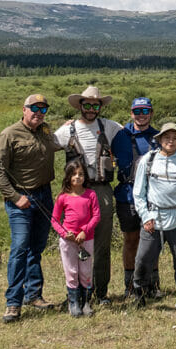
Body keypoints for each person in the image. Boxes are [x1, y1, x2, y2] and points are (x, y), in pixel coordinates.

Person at [0, 93, 62, 323]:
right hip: (21, 199)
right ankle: (13, 302)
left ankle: (34, 295)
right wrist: (14, 196)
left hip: (44, 195)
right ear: (23, 109)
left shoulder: (46, 131)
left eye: (43, 110)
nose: (38, 114)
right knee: (20, 248)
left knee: (36, 247)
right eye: (34, 109)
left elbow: (54, 145)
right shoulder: (9, 135)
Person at [54, 85, 123, 305]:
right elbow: (46, 145)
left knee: (101, 244)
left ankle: (100, 292)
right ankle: (76, 293)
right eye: (88, 105)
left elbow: (133, 129)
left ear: (100, 107)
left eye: (96, 105)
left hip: (102, 190)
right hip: (76, 193)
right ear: (80, 106)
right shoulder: (67, 130)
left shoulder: (110, 127)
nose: (92, 109)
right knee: (74, 241)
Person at [132, 122, 176, 313]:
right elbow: (139, 192)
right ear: (160, 139)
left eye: (175, 138)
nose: (171, 141)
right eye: (167, 137)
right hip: (153, 219)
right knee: (143, 259)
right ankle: (138, 295)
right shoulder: (148, 160)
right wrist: (145, 217)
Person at [110, 97, 159, 298]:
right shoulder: (120, 135)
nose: (141, 115)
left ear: (151, 113)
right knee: (131, 240)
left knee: (152, 239)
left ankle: (152, 285)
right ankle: (130, 286)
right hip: (127, 195)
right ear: (131, 113)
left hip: (152, 197)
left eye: (145, 111)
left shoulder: (158, 136)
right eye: (137, 111)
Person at [51, 162, 101, 318]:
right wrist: (64, 233)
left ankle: (86, 301)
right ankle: (73, 302)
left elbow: (96, 216)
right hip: (68, 241)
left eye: (80, 174)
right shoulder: (62, 197)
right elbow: (54, 219)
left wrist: (85, 231)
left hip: (86, 240)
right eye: (74, 174)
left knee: (86, 271)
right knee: (71, 271)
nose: (77, 177)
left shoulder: (91, 194)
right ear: (68, 177)